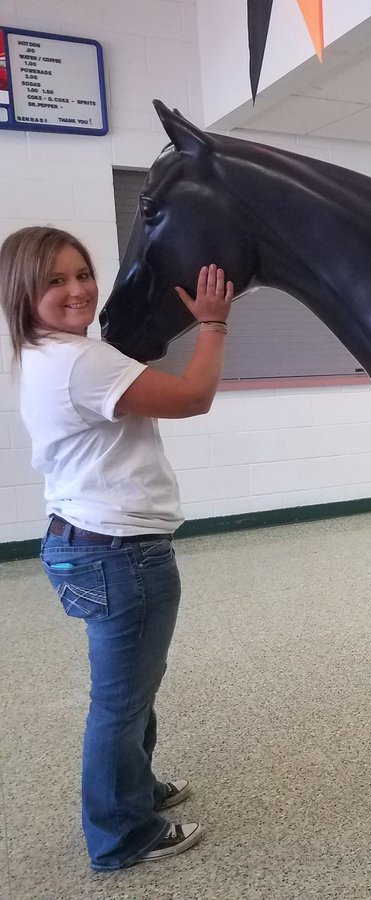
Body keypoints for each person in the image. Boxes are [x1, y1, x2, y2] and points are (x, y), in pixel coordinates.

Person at [1, 226, 234, 869]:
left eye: (82, 273)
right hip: (119, 551)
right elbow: (193, 396)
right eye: (55, 280)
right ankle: (122, 834)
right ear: (23, 292)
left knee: (133, 684)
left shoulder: (48, 353)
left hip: (86, 542)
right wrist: (212, 325)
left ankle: (137, 789)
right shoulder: (80, 360)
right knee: (122, 698)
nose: (78, 290)